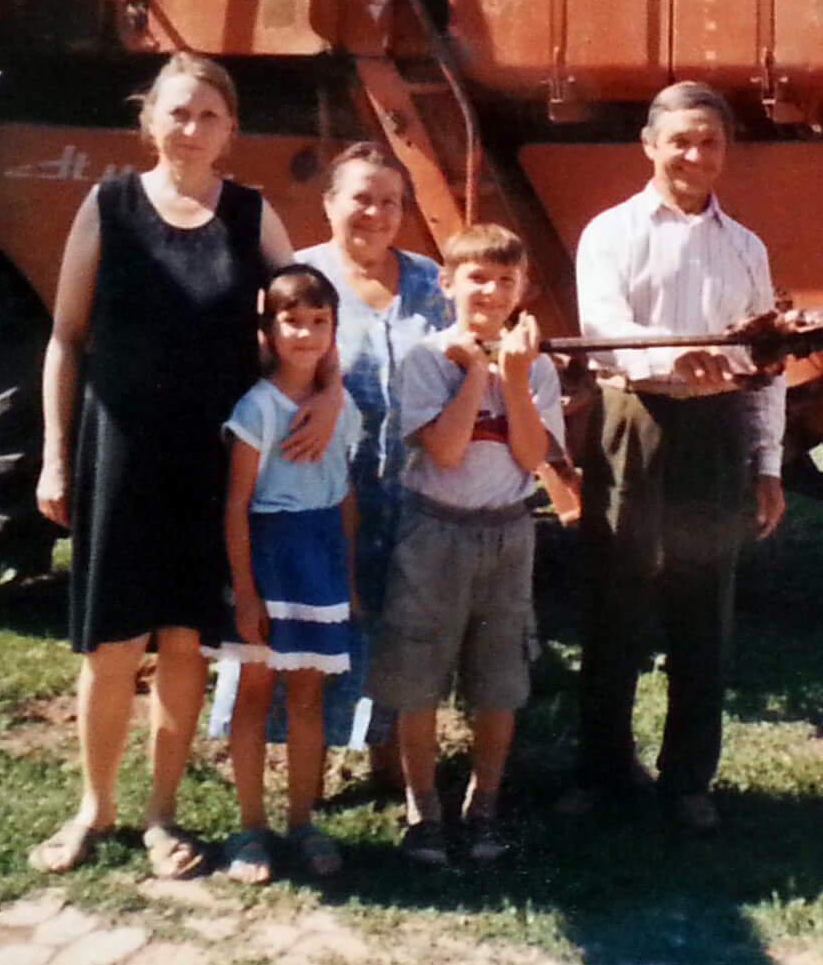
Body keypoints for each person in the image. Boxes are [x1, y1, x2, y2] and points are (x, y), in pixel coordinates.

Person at [28, 53, 339, 880]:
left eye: (208, 115)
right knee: (111, 646)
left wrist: (331, 394)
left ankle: (163, 815)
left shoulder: (251, 214)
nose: (191, 129)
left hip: (212, 463)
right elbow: (65, 336)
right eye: (177, 113)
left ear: (231, 129)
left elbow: (305, 309)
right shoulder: (108, 206)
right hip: (120, 453)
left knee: (186, 643)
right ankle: (95, 807)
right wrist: (56, 456)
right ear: (149, 122)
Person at [563, 81, 787, 835]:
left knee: (704, 609)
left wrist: (768, 465)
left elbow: (767, 360)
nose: (695, 154)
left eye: (711, 141)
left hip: (717, 433)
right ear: (650, 145)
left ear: (725, 152)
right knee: (617, 600)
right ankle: (601, 770)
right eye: (681, 140)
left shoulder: (746, 246)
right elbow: (602, 323)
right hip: (635, 423)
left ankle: (689, 779)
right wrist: (673, 355)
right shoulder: (612, 232)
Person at [364, 224, 564, 866]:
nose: (492, 291)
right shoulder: (426, 358)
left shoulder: (536, 367)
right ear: (447, 285)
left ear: (522, 290)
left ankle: (484, 804)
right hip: (435, 532)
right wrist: (478, 373)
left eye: (507, 280)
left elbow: (533, 456)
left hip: (507, 530)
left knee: (498, 676)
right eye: (478, 277)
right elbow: (446, 451)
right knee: (419, 673)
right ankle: (425, 807)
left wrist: (512, 376)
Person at [297, 144, 452, 763]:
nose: (375, 213)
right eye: (361, 197)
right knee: (321, 628)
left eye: (390, 201)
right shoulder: (298, 279)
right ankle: (311, 763)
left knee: (402, 632)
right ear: (330, 203)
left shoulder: (430, 283)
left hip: (413, 495)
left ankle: (392, 759)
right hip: (323, 493)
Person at [217, 265, 362, 884]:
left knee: (307, 697)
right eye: (291, 322)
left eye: (319, 322)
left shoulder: (341, 407)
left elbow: (347, 494)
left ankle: (303, 821)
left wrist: (348, 577)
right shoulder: (258, 408)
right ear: (269, 331)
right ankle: (252, 828)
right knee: (253, 693)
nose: (305, 334)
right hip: (268, 556)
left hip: (320, 556)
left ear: (334, 328)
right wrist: (246, 593)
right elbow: (236, 504)